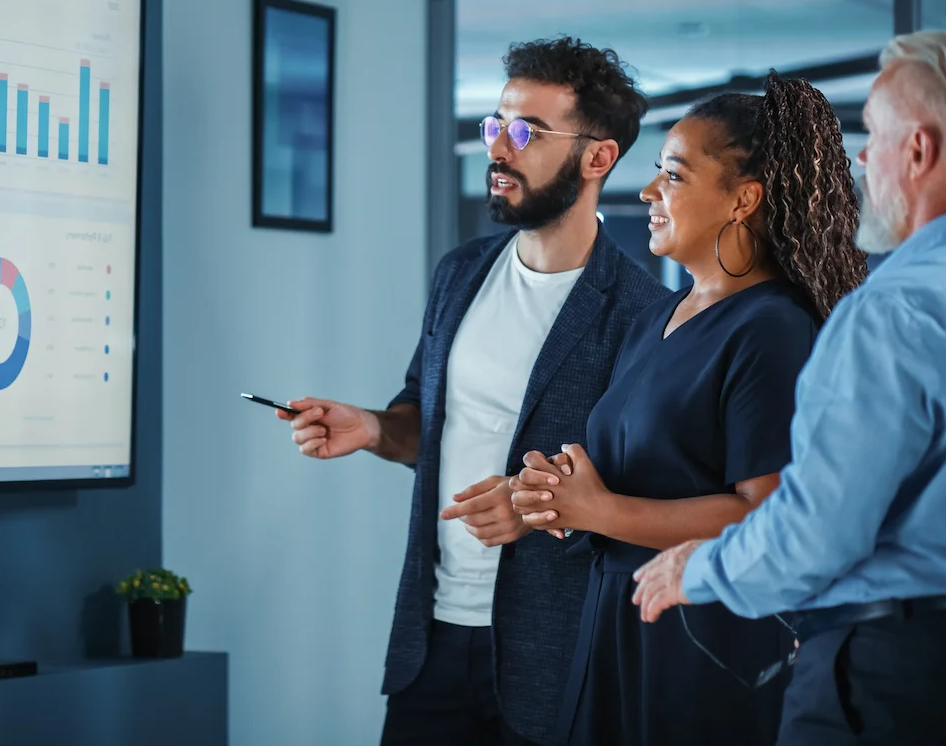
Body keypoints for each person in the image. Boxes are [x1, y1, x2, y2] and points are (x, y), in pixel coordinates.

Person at [631, 30, 946, 746]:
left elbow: (818, 529)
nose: (862, 158)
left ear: (919, 150)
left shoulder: (897, 306)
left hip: (895, 680)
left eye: (875, 134)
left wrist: (697, 569)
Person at [278, 37, 666, 745]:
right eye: (495, 126)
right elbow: (426, 423)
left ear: (597, 157)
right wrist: (372, 427)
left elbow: (643, 495)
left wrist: (536, 509)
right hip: (431, 643)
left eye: (526, 132)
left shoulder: (641, 314)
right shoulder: (460, 274)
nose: (499, 148)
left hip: (555, 656)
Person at [508, 71, 869, 745]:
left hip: (702, 647)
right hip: (618, 624)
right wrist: (561, 496)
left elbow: (766, 515)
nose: (648, 192)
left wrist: (603, 510)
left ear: (743, 200)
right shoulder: (660, 318)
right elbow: (647, 471)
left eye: (673, 176)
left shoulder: (773, 331)